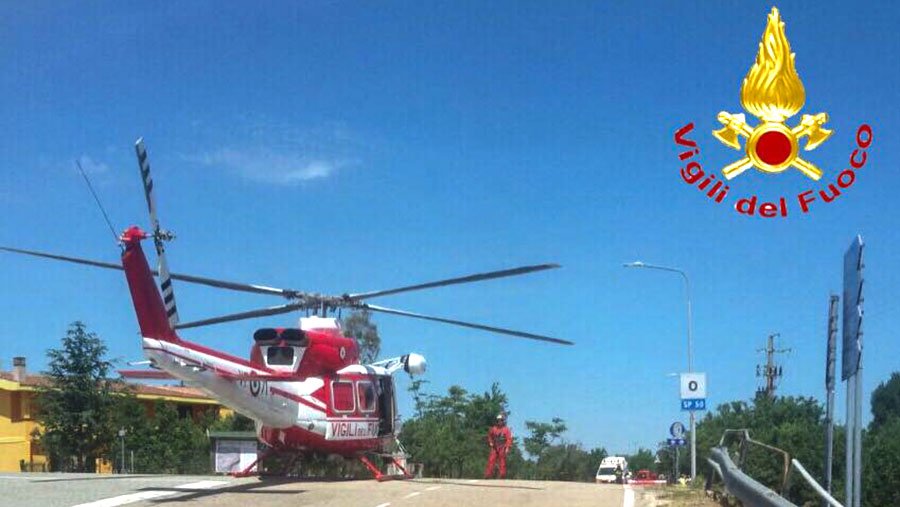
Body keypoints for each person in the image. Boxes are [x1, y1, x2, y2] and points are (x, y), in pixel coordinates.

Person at [484, 413, 512, 479]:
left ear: (503, 421)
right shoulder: (493, 429)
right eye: (499, 420)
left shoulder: (506, 430)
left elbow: (509, 439)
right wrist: (490, 442)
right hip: (495, 447)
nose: (500, 422)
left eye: (501, 420)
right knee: (491, 460)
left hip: (502, 447)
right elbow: (489, 436)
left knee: (502, 461)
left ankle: (502, 475)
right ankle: (488, 474)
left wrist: (507, 447)